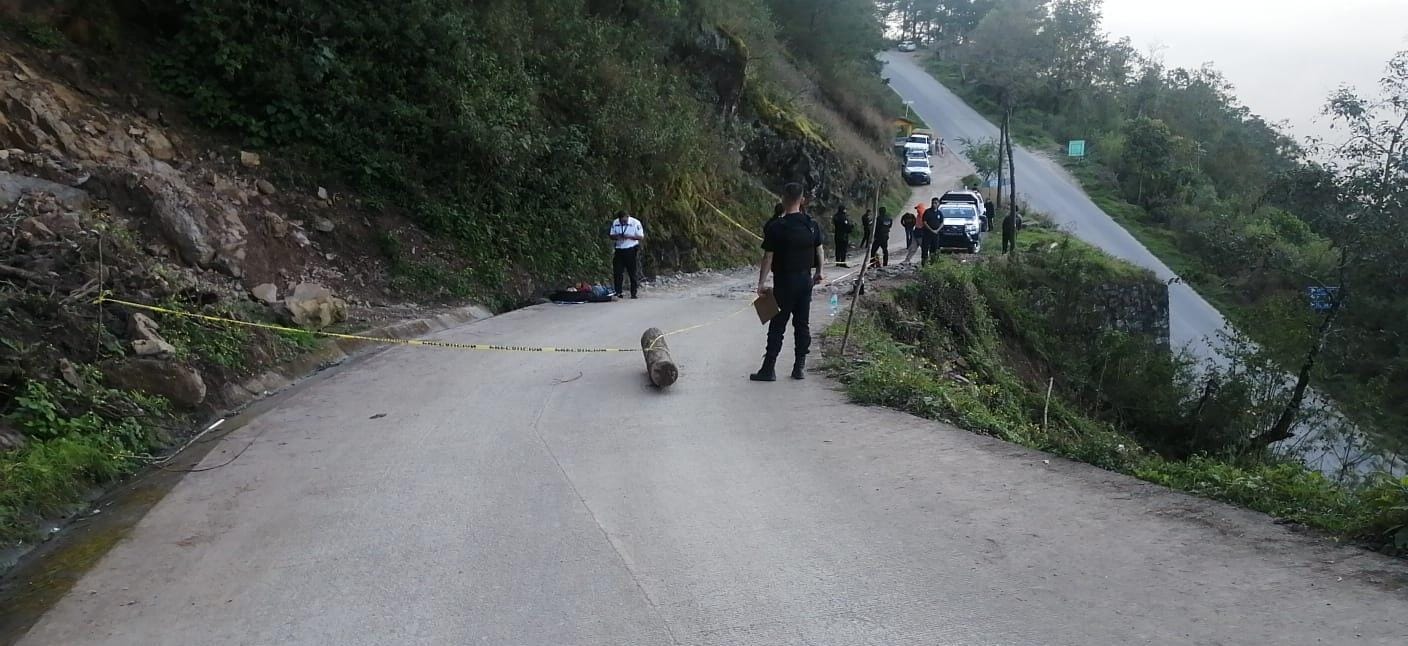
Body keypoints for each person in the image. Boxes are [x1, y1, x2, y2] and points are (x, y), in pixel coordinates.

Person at [752, 182, 823, 382]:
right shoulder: (811, 224)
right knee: (802, 324)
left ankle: (769, 369)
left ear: (783, 199)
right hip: (805, 281)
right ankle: (799, 367)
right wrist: (820, 271)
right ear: (802, 200)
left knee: (778, 326)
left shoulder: (777, 227)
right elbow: (819, 249)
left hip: (785, 281)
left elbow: (768, 257)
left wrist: (761, 284)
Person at [608, 210, 645, 299]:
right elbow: (611, 235)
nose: (623, 222)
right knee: (617, 272)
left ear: (628, 217)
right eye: (621, 221)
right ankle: (618, 292)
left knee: (632, 272)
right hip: (619, 249)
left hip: (631, 249)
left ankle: (633, 293)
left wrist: (629, 236)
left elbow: (640, 236)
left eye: (624, 221)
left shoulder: (635, 223)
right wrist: (617, 236)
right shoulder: (615, 222)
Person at [921, 199, 943, 265]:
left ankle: (933, 262)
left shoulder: (939, 213)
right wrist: (931, 230)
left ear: (938, 204)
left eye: (936, 203)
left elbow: (942, 223)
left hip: (936, 234)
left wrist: (937, 230)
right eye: (933, 203)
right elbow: (924, 222)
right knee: (925, 248)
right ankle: (924, 262)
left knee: (935, 248)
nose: (934, 204)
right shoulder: (927, 212)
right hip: (927, 234)